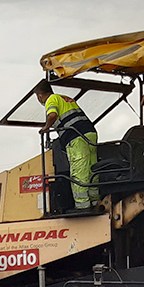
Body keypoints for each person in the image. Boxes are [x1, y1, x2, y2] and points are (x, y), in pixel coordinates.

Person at [35, 80, 99, 210]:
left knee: (79, 171)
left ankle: (83, 206)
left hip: (76, 137)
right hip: (90, 133)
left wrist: (46, 128)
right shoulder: (65, 98)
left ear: (39, 96)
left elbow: (52, 114)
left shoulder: (51, 100)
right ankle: (95, 201)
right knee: (92, 169)